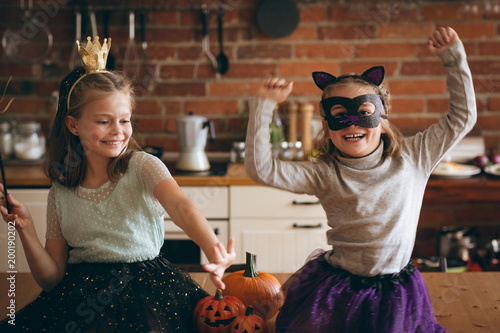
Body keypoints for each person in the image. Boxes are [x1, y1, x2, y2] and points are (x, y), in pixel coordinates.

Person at [245, 27, 475, 333]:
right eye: (339, 115)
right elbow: (261, 169)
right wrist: (262, 106)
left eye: (364, 112)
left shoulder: (415, 157)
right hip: (338, 291)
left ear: (382, 119)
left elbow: (463, 117)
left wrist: (453, 57)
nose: (352, 123)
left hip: (396, 292)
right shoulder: (325, 174)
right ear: (327, 127)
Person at [0, 37, 234, 332]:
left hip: (149, 291)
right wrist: (25, 228)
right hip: (80, 298)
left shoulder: (142, 166)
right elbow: (51, 278)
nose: (118, 131)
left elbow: (181, 207)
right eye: (103, 122)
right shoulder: (60, 192)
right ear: (73, 125)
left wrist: (213, 248)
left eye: (124, 120)